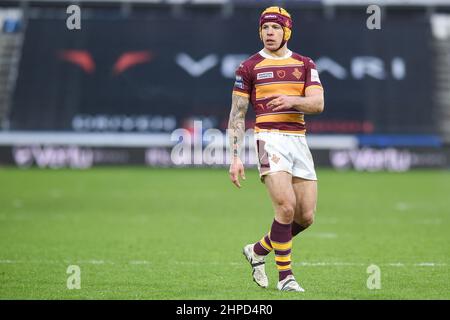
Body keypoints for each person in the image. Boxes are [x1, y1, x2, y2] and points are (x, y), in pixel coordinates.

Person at [227, 6, 324, 292]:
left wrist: (292, 101)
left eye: (275, 28)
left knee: (305, 217)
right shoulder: (248, 67)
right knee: (285, 206)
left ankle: (257, 250)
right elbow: (236, 115)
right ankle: (286, 278)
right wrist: (235, 157)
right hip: (269, 138)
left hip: (298, 140)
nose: (269, 33)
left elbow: (318, 104)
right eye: (265, 28)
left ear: (287, 32)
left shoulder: (306, 64)